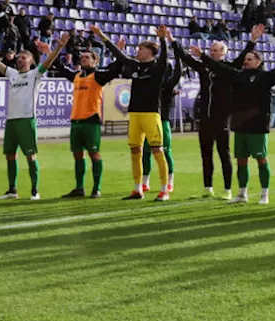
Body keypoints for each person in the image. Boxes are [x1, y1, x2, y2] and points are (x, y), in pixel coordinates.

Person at [201, 44, 275, 204]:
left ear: (258, 62)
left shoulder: (265, 77)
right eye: (245, 59)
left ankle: (264, 194)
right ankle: (242, 193)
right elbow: (219, 68)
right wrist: (202, 56)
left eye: (249, 59)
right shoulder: (238, 75)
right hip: (240, 125)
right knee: (241, 159)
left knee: (261, 159)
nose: (245, 62)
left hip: (257, 126)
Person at [0, 34, 68, 200]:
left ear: (31, 61)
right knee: (10, 155)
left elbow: (48, 62)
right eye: (18, 57)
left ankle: (34, 191)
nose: (20, 59)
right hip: (11, 121)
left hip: (26, 120)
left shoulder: (35, 75)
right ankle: (12, 190)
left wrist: (59, 47)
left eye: (24, 57)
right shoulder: (12, 74)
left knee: (31, 156)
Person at [171, 25, 262, 199]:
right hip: (205, 117)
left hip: (222, 117)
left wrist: (252, 41)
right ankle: (208, 187)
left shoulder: (230, 68)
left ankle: (228, 189)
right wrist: (172, 40)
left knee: (224, 154)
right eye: (211, 50)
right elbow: (185, 58)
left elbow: (242, 57)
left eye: (215, 50)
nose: (211, 52)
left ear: (223, 52)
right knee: (206, 153)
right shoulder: (204, 67)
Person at [96, 25, 173, 201]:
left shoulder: (158, 67)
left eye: (141, 49)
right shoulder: (136, 66)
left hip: (151, 114)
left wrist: (162, 39)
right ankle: (137, 188)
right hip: (135, 114)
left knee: (157, 150)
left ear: (151, 52)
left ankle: (164, 190)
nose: (138, 51)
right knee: (135, 151)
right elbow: (119, 55)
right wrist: (102, 36)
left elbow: (164, 57)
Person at [49, 47, 120, 199]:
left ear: (95, 61)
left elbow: (115, 69)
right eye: (82, 57)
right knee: (77, 155)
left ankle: (96, 188)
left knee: (94, 154)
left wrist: (117, 52)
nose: (83, 58)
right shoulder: (77, 75)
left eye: (87, 57)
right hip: (76, 121)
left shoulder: (99, 75)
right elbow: (59, 67)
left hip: (91, 121)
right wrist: (49, 51)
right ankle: (79, 188)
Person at [141, 56, 183, 196]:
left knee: (165, 151)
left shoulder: (167, 84)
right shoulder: (149, 81)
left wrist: (179, 59)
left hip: (162, 121)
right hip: (148, 120)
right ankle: (145, 182)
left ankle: (170, 181)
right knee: (145, 152)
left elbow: (177, 75)